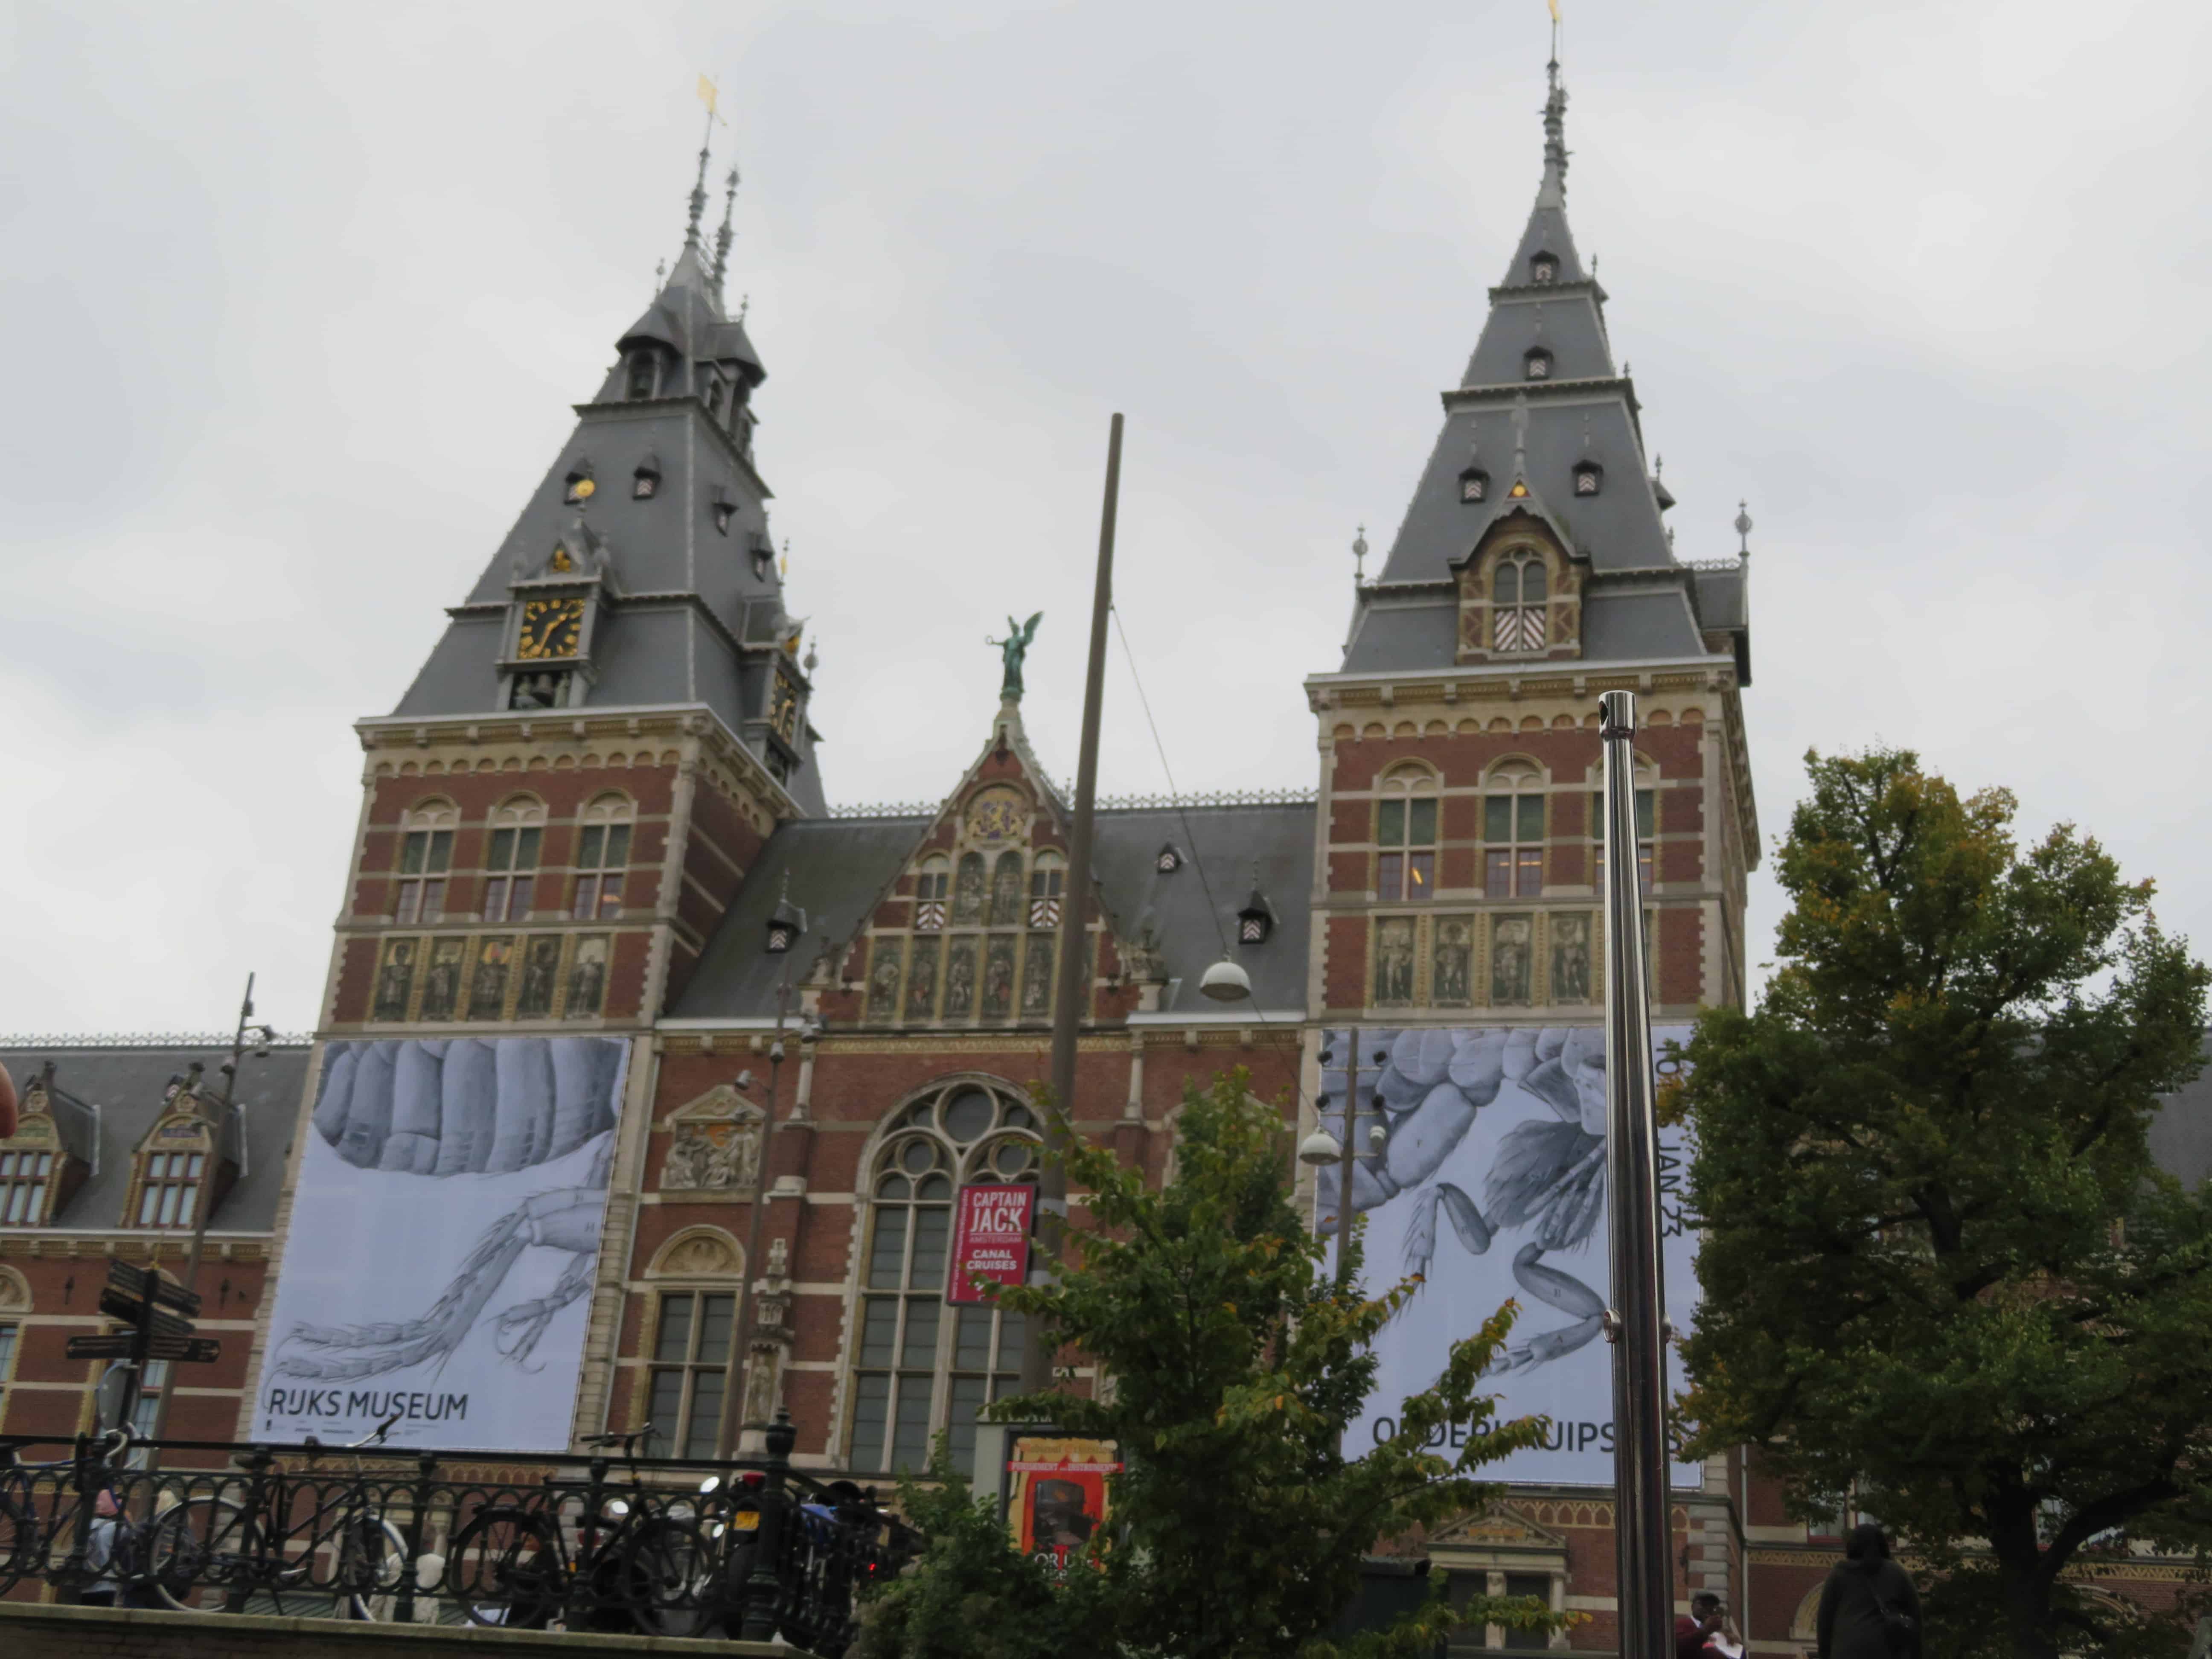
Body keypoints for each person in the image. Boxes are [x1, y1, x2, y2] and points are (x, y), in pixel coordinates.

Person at [1817, 1522, 1922, 1659]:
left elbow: (1824, 1624)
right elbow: (1916, 1616)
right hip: (1886, 1651)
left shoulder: (1839, 1574)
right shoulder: (1897, 1573)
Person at [1676, 1591, 1729, 1659]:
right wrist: (1705, 1631)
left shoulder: (1719, 1632)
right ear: (1693, 1607)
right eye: (1703, 1604)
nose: (1707, 1608)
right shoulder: (1682, 1624)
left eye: (1712, 1606)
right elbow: (1678, 1647)